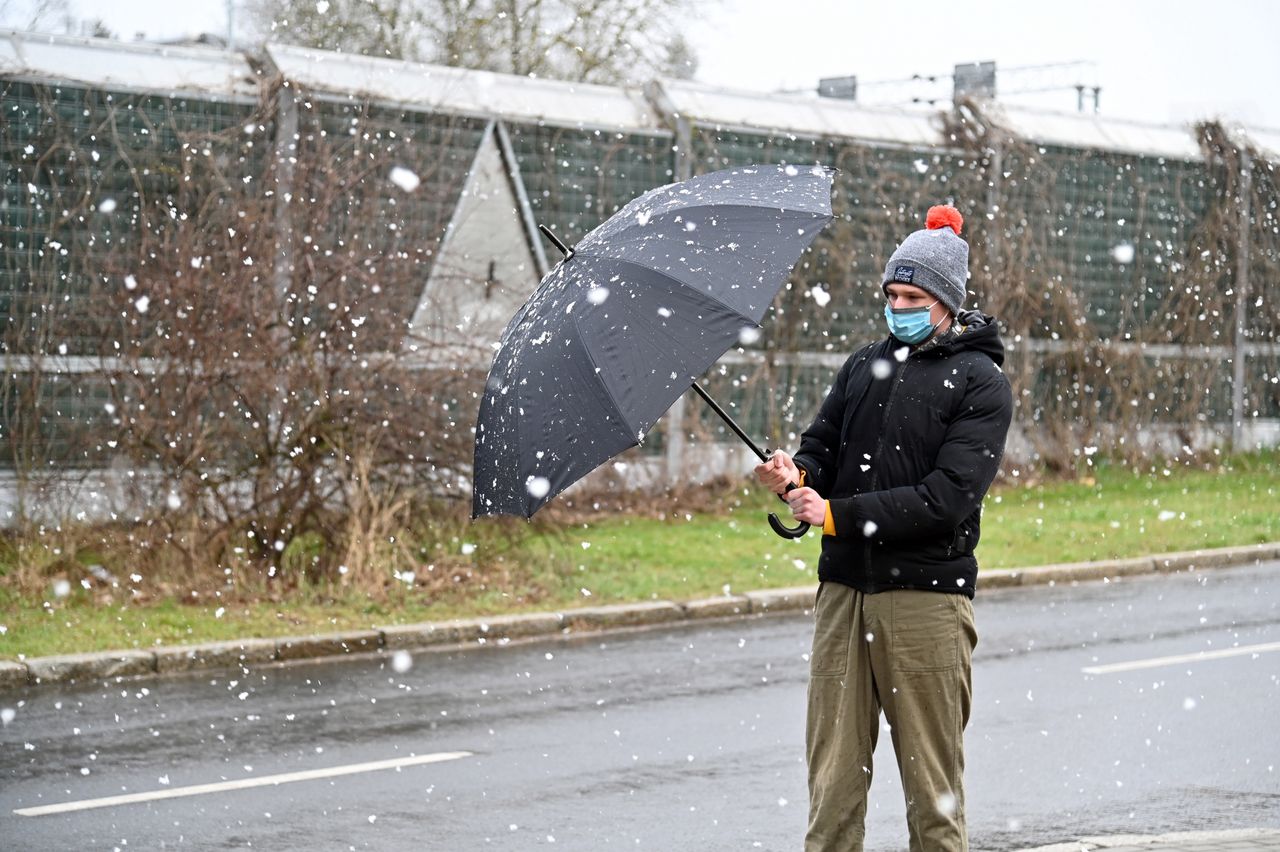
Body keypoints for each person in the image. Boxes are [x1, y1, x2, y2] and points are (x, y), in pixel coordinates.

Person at [755, 204, 1013, 852]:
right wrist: (795, 473)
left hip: (926, 603)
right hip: (843, 596)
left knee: (934, 803)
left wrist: (837, 513)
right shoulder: (863, 365)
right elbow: (823, 445)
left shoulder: (982, 383)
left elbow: (947, 498)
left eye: (913, 296)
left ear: (947, 302)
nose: (897, 306)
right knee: (832, 796)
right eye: (892, 293)